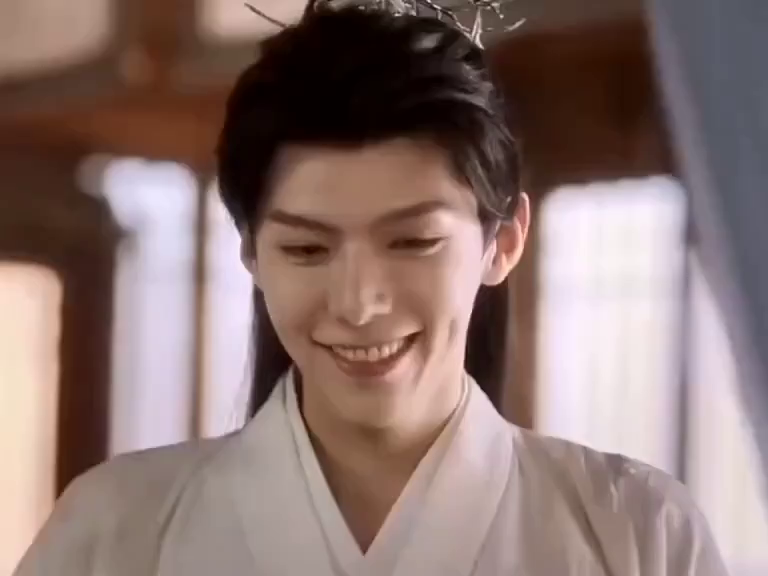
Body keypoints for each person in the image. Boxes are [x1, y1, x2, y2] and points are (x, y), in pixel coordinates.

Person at [15, 3, 729, 575]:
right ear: (251, 253)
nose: (359, 304)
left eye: (413, 242)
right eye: (306, 248)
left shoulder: (636, 532)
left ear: (504, 241)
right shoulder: (115, 531)